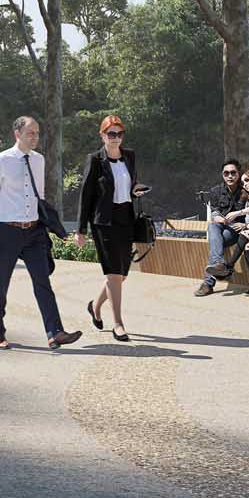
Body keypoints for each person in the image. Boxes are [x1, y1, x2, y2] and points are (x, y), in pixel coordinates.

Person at [0, 117, 81, 351]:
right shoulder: (1, 161)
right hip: (8, 230)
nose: (35, 137)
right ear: (17, 134)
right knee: (1, 282)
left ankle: (55, 332)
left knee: (42, 281)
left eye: (37, 133)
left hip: (34, 231)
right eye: (30, 133)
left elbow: (40, 194)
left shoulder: (39, 160)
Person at [74, 115, 143, 339]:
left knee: (122, 275)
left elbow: (130, 182)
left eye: (119, 134)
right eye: (111, 134)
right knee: (113, 273)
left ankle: (95, 306)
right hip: (103, 221)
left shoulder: (130, 156)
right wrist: (81, 229)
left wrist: (136, 190)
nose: (115, 138)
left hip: (126, 218)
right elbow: (86, 195)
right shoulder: (94, 159)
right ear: (102, 135)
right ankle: (118, 323)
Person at [195, 159, 247, 297]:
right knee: (213, 225)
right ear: (222, 175)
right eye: (226, 173)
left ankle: (208, 283)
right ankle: (219, 264)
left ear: (238, 174)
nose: (229, 176)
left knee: (215, 240)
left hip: (237, 231)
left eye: (233, 173)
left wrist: (244, 224)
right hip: (220, 229)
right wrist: (216, 216)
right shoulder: (215, 191)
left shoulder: (245, 191)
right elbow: (214, 210)